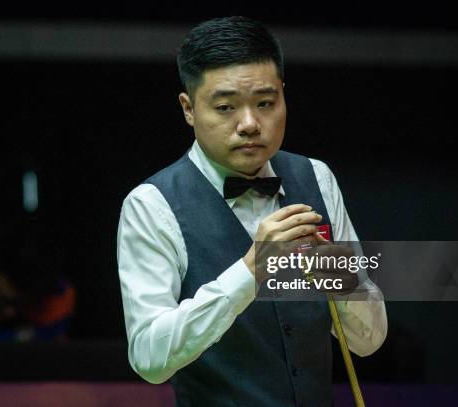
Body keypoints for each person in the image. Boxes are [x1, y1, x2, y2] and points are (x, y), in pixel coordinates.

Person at [117, 16, 387, 406]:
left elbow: (368, 342)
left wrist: (339, 276)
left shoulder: (317, 178)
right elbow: (149, 359)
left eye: (265, 103)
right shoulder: (151, 205)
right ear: (188, 108)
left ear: (283, 96)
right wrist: (250, 270)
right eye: (226, 107)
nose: (249, 124)